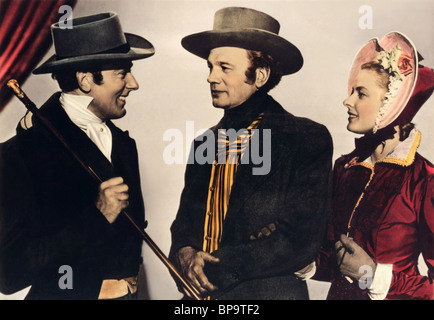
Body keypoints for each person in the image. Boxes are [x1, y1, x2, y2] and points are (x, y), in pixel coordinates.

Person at [169, 7, 333, 300]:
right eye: (210, 67)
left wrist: (213, 268)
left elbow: (300, 239)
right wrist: (183, 251)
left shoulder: (305, 139)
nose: (211, 77)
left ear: (259, 75)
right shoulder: (204, 143)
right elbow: (184, 224)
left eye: (224, 67)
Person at [0, 12, 154, 299]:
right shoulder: (21, 153)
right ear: (85, 80)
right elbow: (9, 274)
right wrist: (98, 216)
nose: (133, 84)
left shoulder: (123, 144)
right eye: (122, 73)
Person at [314, 32, 434, 299]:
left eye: (361, 93)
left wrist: (372, 274)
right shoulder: (345, 168)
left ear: (391, 102)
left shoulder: (424, 180)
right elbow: (329, 260)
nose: (348, 101)